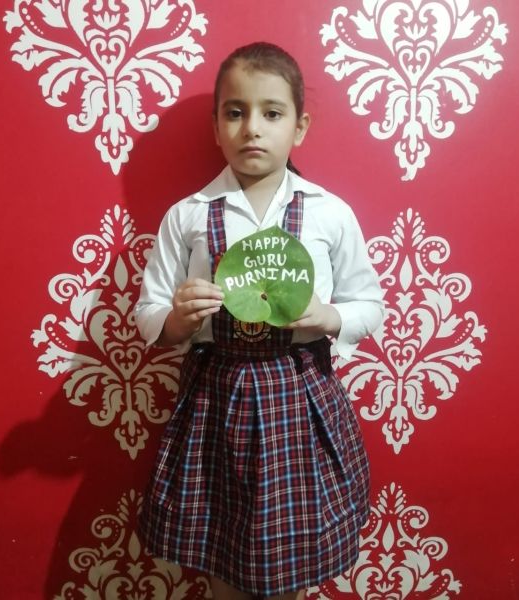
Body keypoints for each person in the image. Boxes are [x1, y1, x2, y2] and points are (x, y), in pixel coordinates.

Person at [135, 41, 385, 600]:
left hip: (299, 398)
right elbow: (148, 313)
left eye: (272, 113)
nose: (252, 127)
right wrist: (177, 320)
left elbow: (370, 304)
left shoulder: (328, 212)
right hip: (215, 401)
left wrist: (329, 315)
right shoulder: (188, 216)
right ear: (216, 127)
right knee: (223, 556)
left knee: (289, 560)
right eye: (235, 112)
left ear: (299, 127)